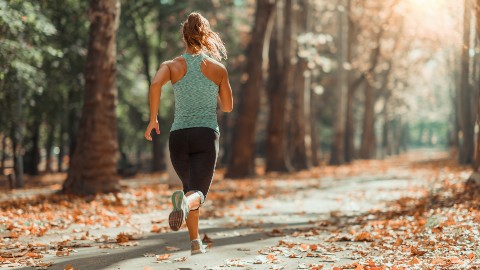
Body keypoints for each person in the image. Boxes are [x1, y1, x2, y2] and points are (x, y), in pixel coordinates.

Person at [144, 12, 233, 255]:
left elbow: (154, 85)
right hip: (205, 135)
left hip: (178, 137)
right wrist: (212, 88)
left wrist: (153, 119)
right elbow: (227, 107)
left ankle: (195, 243)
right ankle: (184, 208)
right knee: (198, 194)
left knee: (189, 189)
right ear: (205, 37)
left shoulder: (171, 66)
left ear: (184, 36)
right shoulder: (217, 69)